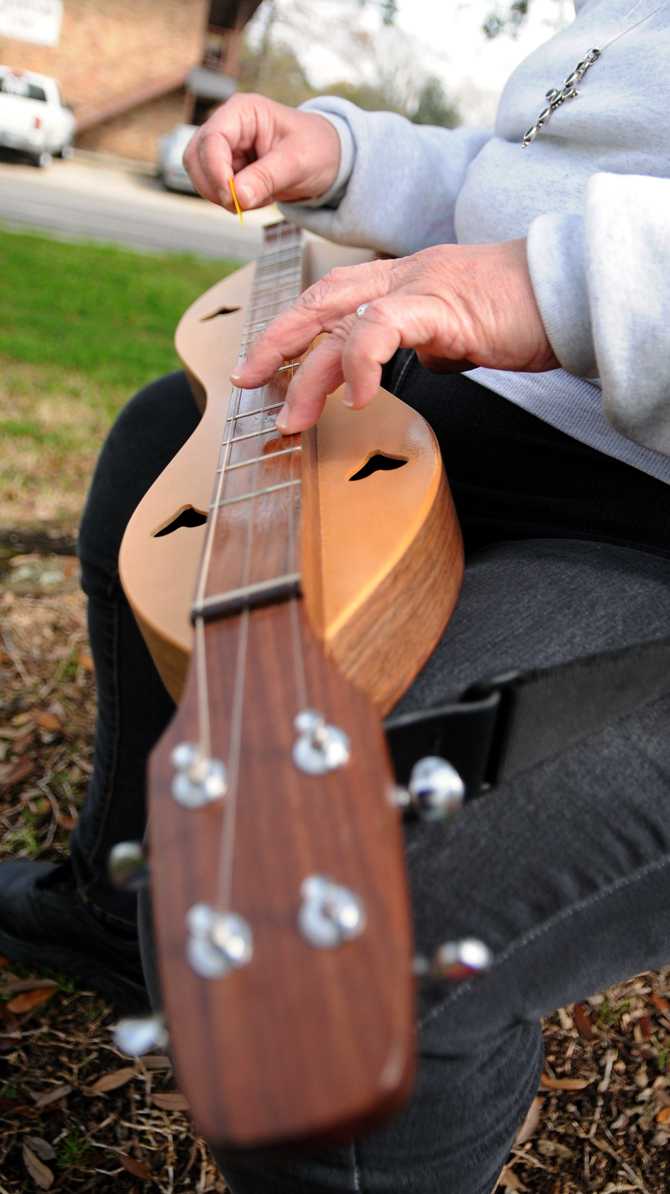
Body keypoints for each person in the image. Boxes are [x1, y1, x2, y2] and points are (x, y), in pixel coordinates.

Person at [2, 1, 670, 1190]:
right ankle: (123, 898)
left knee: (335, 916)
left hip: (644, 526)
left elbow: (559, 249)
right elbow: (521, 172)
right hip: (469, 409)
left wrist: (564, 287)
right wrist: (346, 153)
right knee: (166, 442)